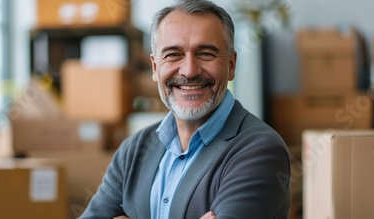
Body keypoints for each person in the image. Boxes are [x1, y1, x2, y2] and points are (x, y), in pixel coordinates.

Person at [80, 0, 291, 218]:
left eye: (206, 53)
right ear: (155, 67)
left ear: (230, 65)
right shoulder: (133, 150)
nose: (189, 71)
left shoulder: (260, 151)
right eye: (173, 54)